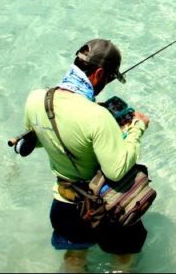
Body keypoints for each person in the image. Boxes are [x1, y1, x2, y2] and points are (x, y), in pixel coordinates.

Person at [22, 38, 151, 273]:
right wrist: (136, 128)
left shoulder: (35, 99)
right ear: (100, 73)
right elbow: (116, 169)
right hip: (107, 209)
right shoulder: (97, 117)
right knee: (123, 261)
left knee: (74, 259)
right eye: (109, 78)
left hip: (65, 208)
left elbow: (39, 141)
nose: (106, 84)